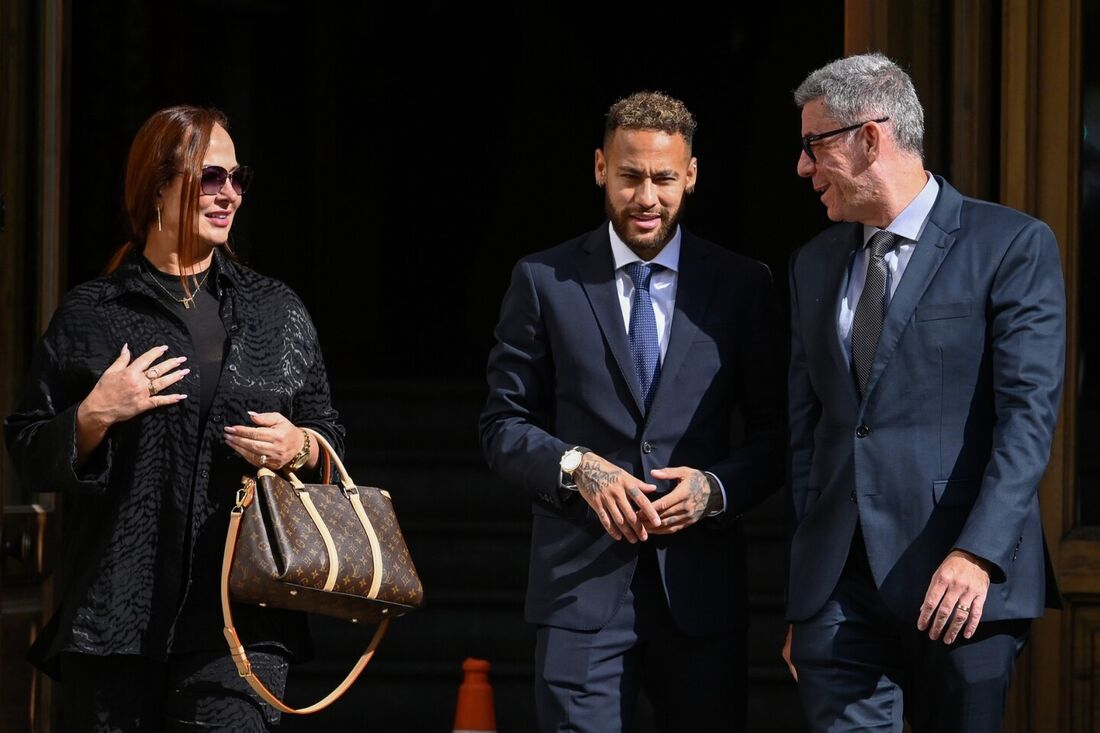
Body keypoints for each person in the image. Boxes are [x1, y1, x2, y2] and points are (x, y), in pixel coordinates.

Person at [4, 105, 343, 731]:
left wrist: (300, 446)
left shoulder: (277, 312)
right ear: (158, 186)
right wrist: (93, 415)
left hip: (241, 625)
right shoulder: (93, 313)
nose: (230, 195)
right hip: (114, 627)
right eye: (210, 177)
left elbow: (329, 435)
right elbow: (27, 447)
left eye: (238, 179)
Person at [479, 91, 785, 732]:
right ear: (599, 168)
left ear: (691, 176)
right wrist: (575, 466)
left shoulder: (742, 285)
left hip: (701, 597)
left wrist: (715, 488)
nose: (647, 197)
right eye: (630, 177)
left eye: (664, 178)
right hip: (580, 595)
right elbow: (502, 426)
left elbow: (776, 434)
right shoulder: (544, 279)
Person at [782, 53, 1065, 731]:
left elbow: (1027, 417)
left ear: (870, 137)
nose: (802, 168)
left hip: (960, 584)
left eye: (813, 145)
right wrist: (807, 592)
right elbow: (807, 428)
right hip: (839, 597)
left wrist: (978, 552)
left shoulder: (1010, 245)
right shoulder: (814, 263)